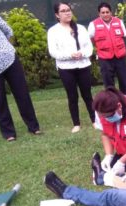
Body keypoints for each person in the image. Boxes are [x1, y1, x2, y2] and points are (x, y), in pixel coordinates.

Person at [0, 10, 41, 141]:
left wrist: (5, 47)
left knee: (22, 94)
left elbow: (7, 29)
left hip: (10, 60)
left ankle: (34, 127)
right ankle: (9, 133)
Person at [48, 2, 95, 133]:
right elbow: (53, 52)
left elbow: (89, 48)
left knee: (87, 95)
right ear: (57, 15)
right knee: (72, 96)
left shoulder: (80, 28)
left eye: (68, 10)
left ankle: (95, 120)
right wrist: (70, 55)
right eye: (63, 11)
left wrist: (82, 53)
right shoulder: (53, 31)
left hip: (83, 65)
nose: (67, 13)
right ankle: (76, 124)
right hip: (66, 68)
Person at [88, 2, 126, 96]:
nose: (105, 14)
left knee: (124, 82)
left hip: (120, 57)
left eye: (107, 12)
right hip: (105, 58)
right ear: (99, 14)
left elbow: (124, 36)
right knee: (109, 84)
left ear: (111, 12)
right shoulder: (93, 24)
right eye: (103, 12)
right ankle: (112, 105)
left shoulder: (119, 22)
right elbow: (90, 39)